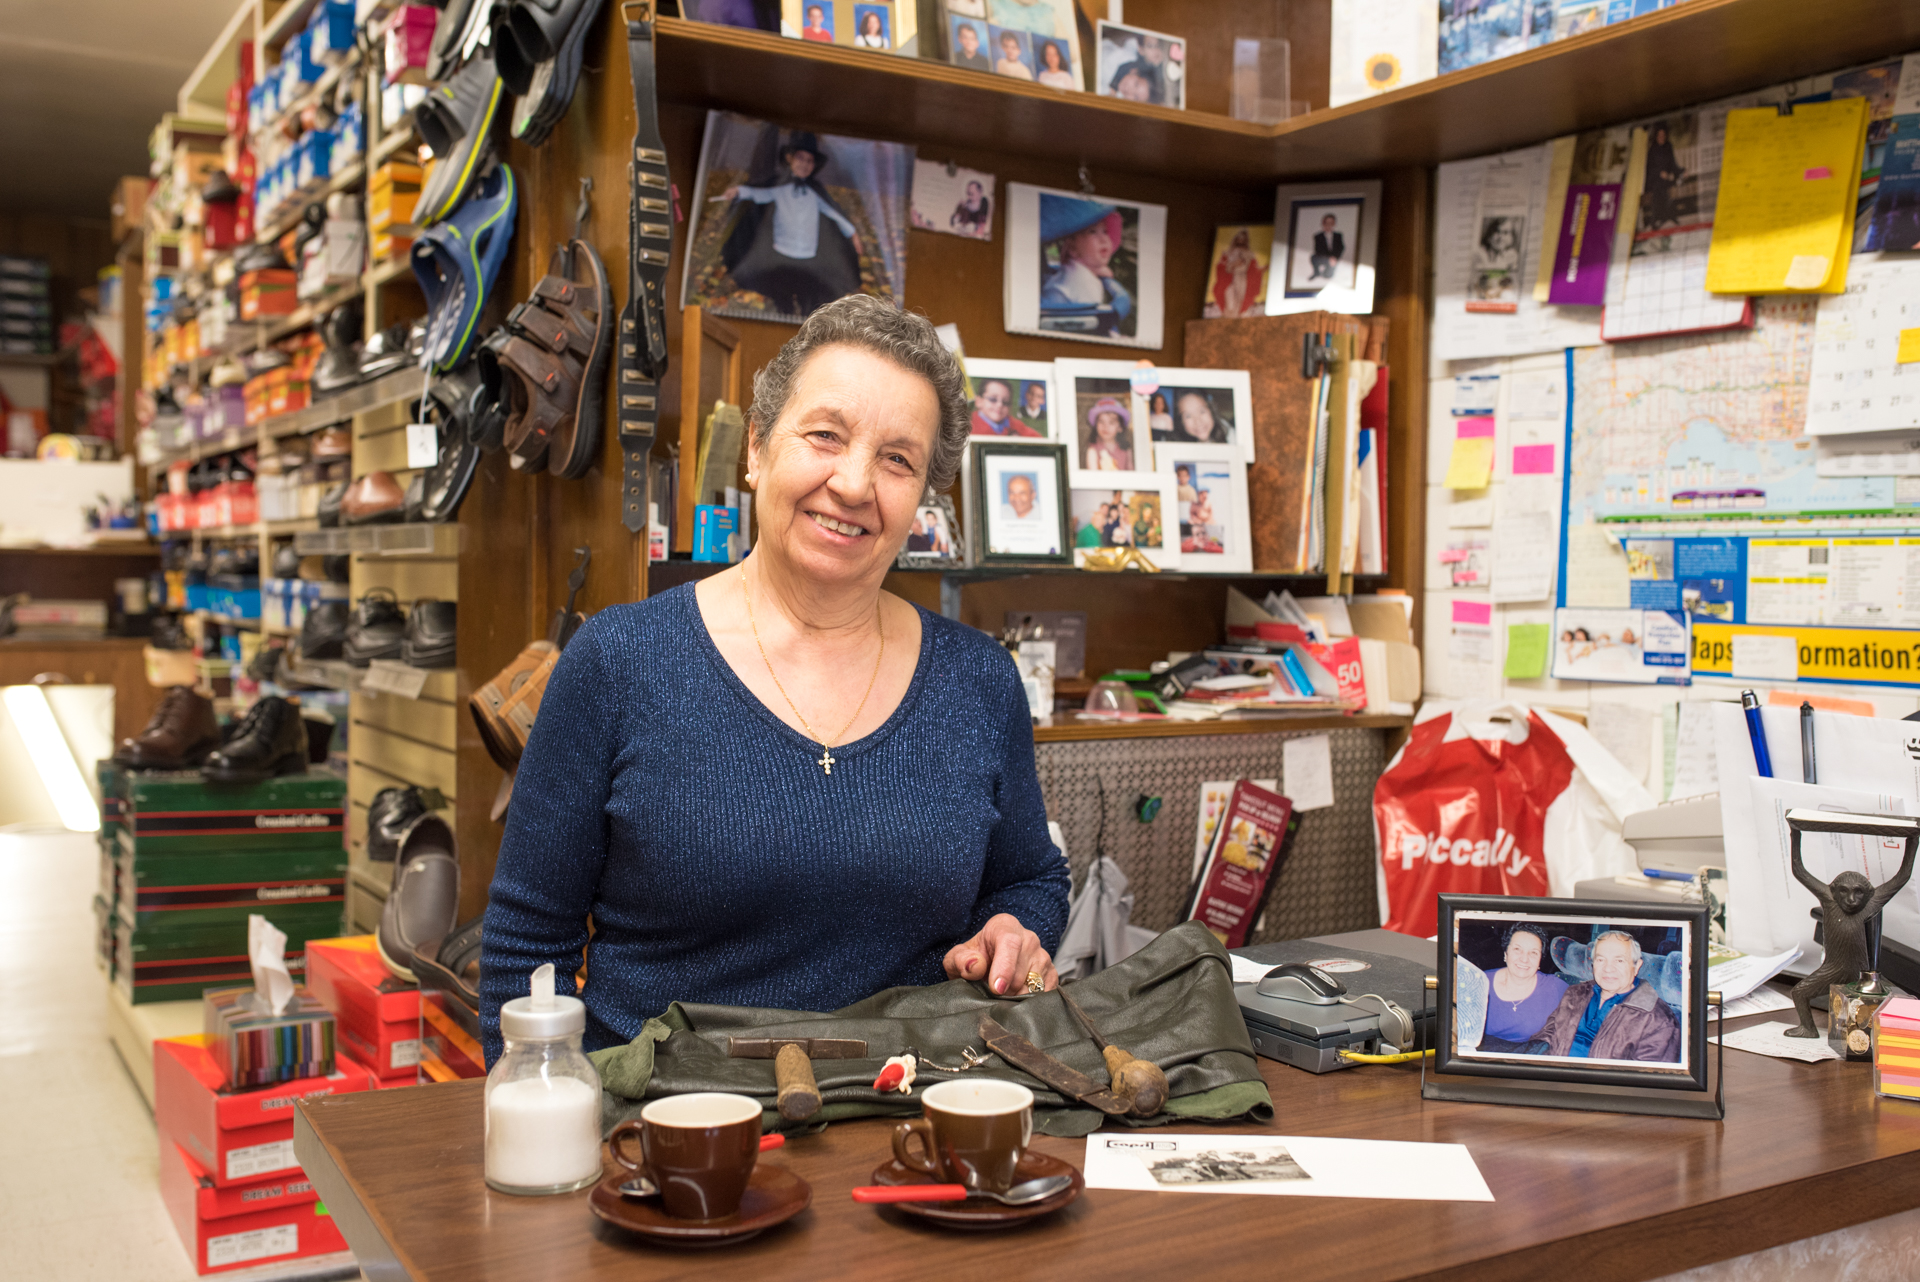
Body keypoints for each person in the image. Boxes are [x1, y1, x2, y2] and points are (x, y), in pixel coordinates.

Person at [479, 296, 1070, 1064]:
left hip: (905, 1127)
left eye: (898, 459)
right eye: (825, 435)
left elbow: (1030, 879)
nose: (855, 483)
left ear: (922, 497)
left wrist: (1014, 930)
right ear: (757, 448)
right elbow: (529, 942)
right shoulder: (619, 662)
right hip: (668, 1138)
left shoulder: (978, 680)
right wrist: (540, 1126)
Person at [719, 132, 863, 318]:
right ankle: (783, 314)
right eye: (800, 158)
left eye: (809, 160)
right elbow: (759, 194)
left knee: (808, 298)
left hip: (808, 256)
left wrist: (852, 233)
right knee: (782, 294)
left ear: (814, 165)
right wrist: (738, 190)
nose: (804, 164)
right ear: (789, 159)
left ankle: (805, 320)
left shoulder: (815, 193)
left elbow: (833, 214)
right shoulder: (779, 188)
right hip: (782, 254)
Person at [1528, 931, 1680, 1061]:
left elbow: (1644, 1084)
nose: (1608, 968)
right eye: (1601, 960)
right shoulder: (1575, 993)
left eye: (1619, 960)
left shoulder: (1659, 1019)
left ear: (1636, 966)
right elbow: (1546, 1036)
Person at [1040, 196, 1132, 337]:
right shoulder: (1082, 282)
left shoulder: (1076, 268)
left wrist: (1095, 269)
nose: (1103, 239)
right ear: (1072, 248)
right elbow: (1096, 325)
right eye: (1093, 232)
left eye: (1105, 231)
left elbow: (1070, 262)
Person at [1476, 924, 1569, 1052]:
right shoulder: (1479, 982)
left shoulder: (1555, 987)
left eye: (1533, 953)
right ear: (1505, 953)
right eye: (1517, 949)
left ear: (1540, 960)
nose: (1524, 959)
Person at [1211, 227, 1265, 317]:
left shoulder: (1249, 254)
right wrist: (1233, 265)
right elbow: (1221, 267)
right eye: (1239, 238)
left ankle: (1235, 319)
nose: (1241, 240)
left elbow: (1254, 269)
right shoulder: (1228, 253)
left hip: (1242, 279)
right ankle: (1228, 317)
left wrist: (1262, 269)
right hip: (1229, 280)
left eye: (1243, 238)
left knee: (1239, 301)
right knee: (1230, 302)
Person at [970, 377, 1039, 437]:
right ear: (978, 401)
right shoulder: (970, 426)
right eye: (993, 399)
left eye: (1005, 402)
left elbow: (1037, 439)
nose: (1000, 405)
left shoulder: (1013, 425)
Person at [1083, 397, 1133, 470]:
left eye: (1111, 423)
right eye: (1101, 421)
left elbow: (1132, 474)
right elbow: (1093, 477)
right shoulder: (1093, 450)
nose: (1105, 426)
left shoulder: (1126, 450)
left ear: (1120, 427)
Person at [1310, 213, 1344, 282]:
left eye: (1331, 223)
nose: (1328, 225)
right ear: (1323, 224)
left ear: (1334, 224)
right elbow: (1318, 249)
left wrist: (1335, 258)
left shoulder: (1338, 236)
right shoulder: (1318, 236)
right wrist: (1329, 258)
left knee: (1328, 276)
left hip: (1334, 259)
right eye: (1327, 223)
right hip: (1324, 258)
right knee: (1313, 257)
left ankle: (1327, 271)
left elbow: (1341, 248)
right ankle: (1316, 272)